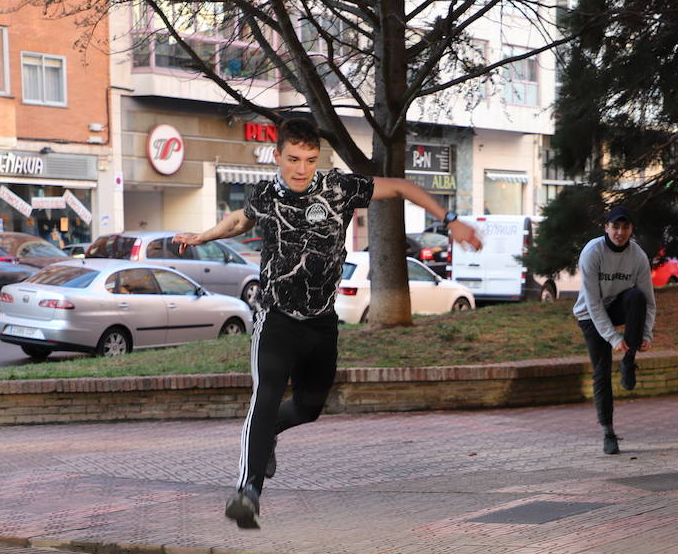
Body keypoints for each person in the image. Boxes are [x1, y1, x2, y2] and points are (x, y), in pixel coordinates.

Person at [174, 117, 481, 529]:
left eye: (310, 159)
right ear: (278, 155)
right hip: (275, 318)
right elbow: (239, 221)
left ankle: (270, 437)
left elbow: (403, 188)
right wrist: (201, 237)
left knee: (309, 407)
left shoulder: (338, 187)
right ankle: (247, 491)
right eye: (293, 159)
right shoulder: (264, 194)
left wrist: (449, 220)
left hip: (321, 324)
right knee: (264, 396)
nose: (302, 169)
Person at [574, 205, 656, 455]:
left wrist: (646, 334)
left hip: (618, 305)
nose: (620, 232)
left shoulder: (637, 255)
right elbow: (593, 302)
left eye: (625, 227)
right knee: (601, 372)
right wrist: (612, 338)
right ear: (606, 228)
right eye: (615, 227)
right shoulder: (592, 252)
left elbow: (649, 301)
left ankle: (629, 362)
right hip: (590, 314)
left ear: (631, 229)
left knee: (636, 297)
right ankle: (608, 432)